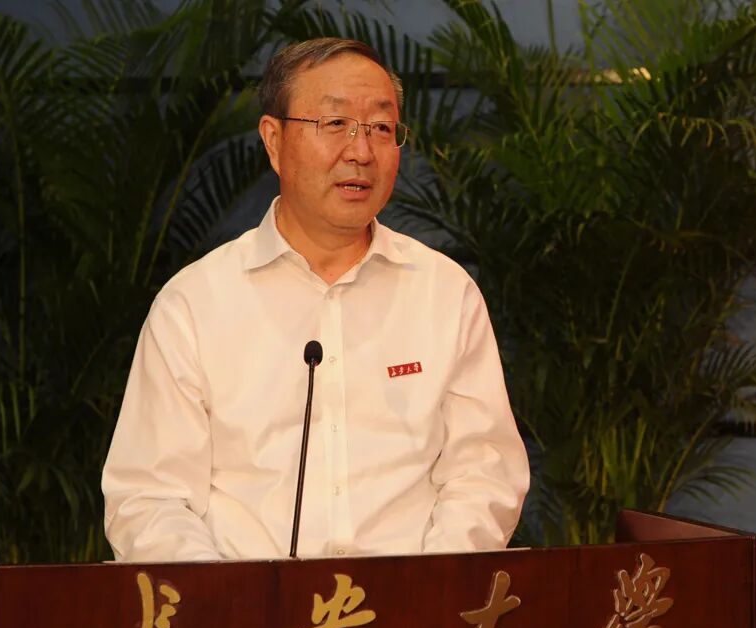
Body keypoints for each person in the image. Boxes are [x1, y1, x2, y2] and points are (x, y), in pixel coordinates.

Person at [101, 38, 529, 562]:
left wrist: (427, 589)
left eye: (381, 127)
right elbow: (150, 500)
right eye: (335, 123)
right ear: (274, 140)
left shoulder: (444, 293)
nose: (361, 151)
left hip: (414, 605)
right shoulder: (194, 305)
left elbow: (484, 474)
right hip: (246, 607)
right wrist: (230, 602)